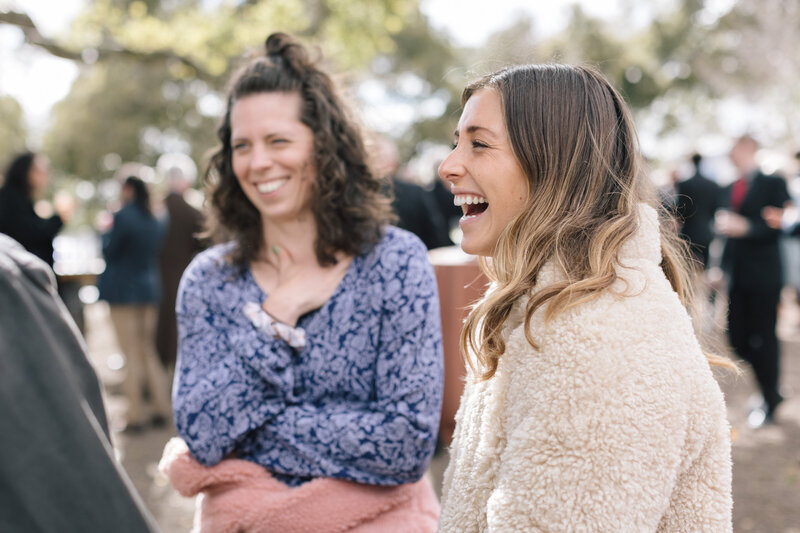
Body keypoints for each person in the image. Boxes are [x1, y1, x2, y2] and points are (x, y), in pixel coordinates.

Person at [165, 33, 443, 531]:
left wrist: (250, 435)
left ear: (324, 145)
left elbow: (407, 445)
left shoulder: (396, 262)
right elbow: (202, 434)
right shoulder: (208, 281)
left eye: (278, 141)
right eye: (242, 146)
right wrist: (275, 318)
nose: (258, 163)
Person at [437, 64, 733, 531]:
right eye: (456, 141)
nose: (448, 164)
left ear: (556, 165)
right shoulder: (548, 306)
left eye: (479, 143)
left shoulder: (597, 335)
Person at [0, 234, 158, 532]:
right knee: (142, 354)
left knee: (136, 356)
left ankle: (141, 412)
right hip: (144, 289)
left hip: (128, 291)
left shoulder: (7, 274)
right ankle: (148, 410)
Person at [717, 135, 790, 427]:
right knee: (737, 338)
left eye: (733, 148)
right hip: (739, 276)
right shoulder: (729, 187)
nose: (729, 154)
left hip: (765, 275)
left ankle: (770, 397)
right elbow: (727, 235)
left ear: (747, 149)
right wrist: (720, 268)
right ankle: (769, 390)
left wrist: (747, 227)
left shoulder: (773, 183)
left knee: (765, 337)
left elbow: (783, 224)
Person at [98, 176, 171, 431]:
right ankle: (162, 407)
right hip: (148, 288)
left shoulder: (124, 215)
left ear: (128, 189)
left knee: (129, 353)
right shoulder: (157, 216)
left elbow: (109, 251)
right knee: (147, 349)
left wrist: (105, 229)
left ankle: (136, 415)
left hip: (122, 291)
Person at [155, 153, 206, 371]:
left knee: (160, 330)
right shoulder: (193, 213)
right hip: (183, 277)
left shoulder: (154, 211)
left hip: (157, 278)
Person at [0, 151, 73, 267]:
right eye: (40, 171)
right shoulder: (10, 198)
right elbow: (30, 235)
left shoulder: (19, 197)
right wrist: (59, 217)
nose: (45, 176)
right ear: (26, 172)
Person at [676, 152, 720, 269]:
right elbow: (715, 208)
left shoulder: (685, 184)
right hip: (706, 231)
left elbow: (681, 210)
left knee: (688, 267)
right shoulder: (713, 185)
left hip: (689, 231)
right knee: (705, 267)